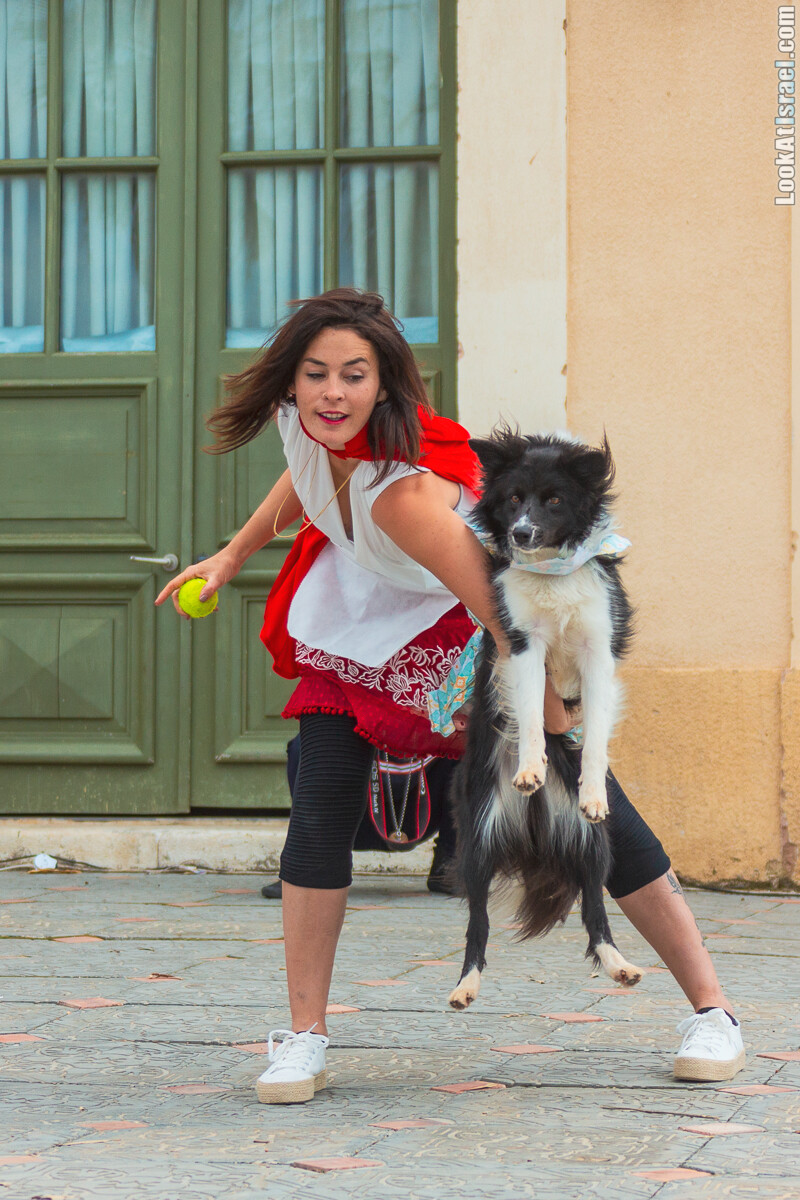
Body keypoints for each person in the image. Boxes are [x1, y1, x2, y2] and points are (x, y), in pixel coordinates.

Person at [154, 288, 744, 1104]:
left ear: (385, 388)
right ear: (289, 383)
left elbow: (501, 621)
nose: (332, 393)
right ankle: (302, 1037)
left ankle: (714, 1013)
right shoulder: (305, 424)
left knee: (587, 797)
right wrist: (229, 557)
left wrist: (555, 728)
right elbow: (302, 483)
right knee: (320, 805)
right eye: (315, 374)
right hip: (356, 620)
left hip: (463, 628)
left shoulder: (404, 498)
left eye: (353, 377)